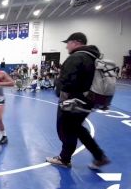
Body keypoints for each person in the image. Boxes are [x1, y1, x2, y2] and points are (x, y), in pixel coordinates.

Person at [46, 32, 110, 169]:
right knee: (77, 129)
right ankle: (99, 156)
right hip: (89, 100)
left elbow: (67, 81)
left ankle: (64, 159)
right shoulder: (93, 57)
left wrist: (60, 94)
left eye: (68, 43)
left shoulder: (77, 57)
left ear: (76, 42)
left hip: (73, 101)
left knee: (66, 128)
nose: (66, 47)